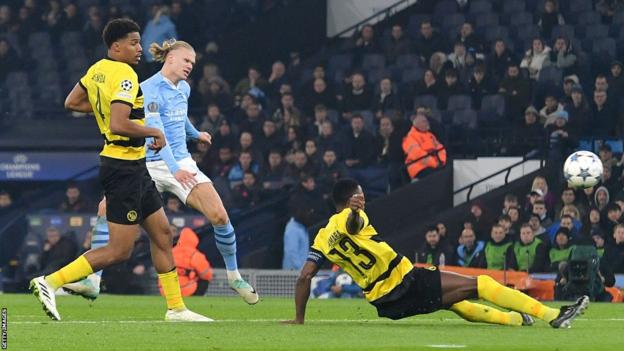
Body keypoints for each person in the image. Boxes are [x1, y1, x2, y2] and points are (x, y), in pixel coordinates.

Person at [36, 19, 208, 322]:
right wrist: (154, 131)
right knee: (119, 250)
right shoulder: (126, 75)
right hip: (122, 168)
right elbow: (118, 123)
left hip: (134, 166)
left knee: (163, 233)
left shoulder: (97, 70)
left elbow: (71, 102)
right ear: (116, 46)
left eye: (139, 42)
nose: (140, 49)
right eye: (133, 43)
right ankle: (49, 282)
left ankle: (176, 309)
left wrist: (104, 106)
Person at [285, 179, 588, 327]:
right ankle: (553, 315)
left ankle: (516, 321)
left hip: (384, 303)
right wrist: (353, 213)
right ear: (351, 198)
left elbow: (305, 276)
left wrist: (299, 318)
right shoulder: (354, 216)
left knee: (453, 303)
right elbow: (352, 224)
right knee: (481, 283)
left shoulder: (322, 238)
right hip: (405, 280)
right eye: (359, 193)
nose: (363, 196)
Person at [140, 39, 257, 303]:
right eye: (186, 60)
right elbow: (157, 135)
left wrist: (195, 134)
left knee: (219, 216)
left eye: (192, 63)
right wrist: (174, 170)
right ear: (170, 58)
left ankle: (234, 276)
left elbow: (179, 118)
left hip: (181, 161)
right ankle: (92, 278)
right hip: (150, 163)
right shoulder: (148, 90)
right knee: (110, 216)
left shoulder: (184, 88)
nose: (190, 66)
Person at [165, 227, 213, 296]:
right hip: (186, 289)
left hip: (167, 291)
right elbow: (206, 274)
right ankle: (196, 299)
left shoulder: (170, 252)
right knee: (204, 280)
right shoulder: (194, 254)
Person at [402, 113, 446, 180]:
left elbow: (441, 149)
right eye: (424, 121)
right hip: (418, 168)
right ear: (417, 124)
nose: (427, 123)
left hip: (434, 165)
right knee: (435, 175)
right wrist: (435, 164)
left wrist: (441, 162)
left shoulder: (431, 135)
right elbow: (417, 154)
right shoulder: (410, 137)